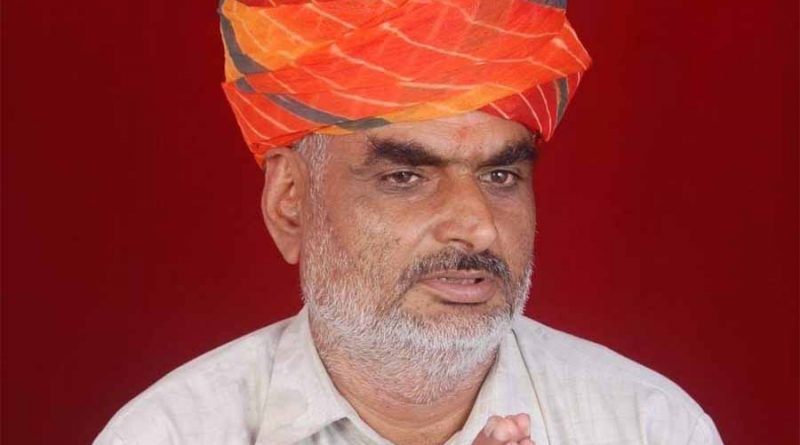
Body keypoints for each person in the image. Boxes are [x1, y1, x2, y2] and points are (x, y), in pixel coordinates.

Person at [95, 1, 724, 444]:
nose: (477, 227)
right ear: (291, 201)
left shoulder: (649, 426)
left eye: (500, 175)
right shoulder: (171, 432)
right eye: (405, 177)